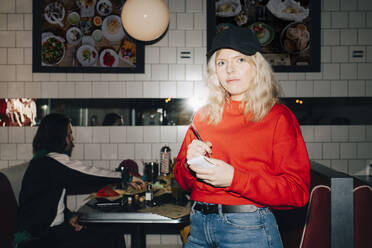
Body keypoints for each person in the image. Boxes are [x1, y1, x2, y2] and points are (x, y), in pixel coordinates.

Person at [174, 26, 310, 248]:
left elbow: (297, 192)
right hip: (198, 226)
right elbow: (180, 179)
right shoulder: (203, 116)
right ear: (214, 72)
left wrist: (234, 179)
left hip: (248, 228)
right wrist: (190, 164)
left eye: (240, 60)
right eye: (222, 62)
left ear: (256, 67)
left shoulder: (278, 117)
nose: (230, 69)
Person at [14, 113, 144, 248]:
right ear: (57, 136)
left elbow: (47, 203)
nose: (72, 138)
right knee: (111, 237)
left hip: (49, 231)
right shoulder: (51, 161)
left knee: (111, 233)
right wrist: (125, 177)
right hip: (38, 238)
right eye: (69, 134)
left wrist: (69, 216)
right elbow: (88, 172)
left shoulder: (45, 161)